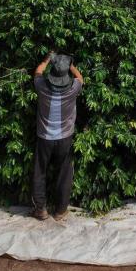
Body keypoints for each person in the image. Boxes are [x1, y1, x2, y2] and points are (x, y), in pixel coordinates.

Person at [30, 52, 84, 221]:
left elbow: (38, 72)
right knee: (64, 173)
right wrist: (71, 65)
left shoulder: (41, 86)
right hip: (65, 138)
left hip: (45, 137)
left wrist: (46, 60)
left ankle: (41, 209)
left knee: (40, 172)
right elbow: (80, 77)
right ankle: (60, 211)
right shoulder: (74, 88)